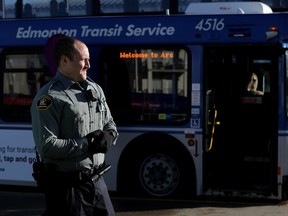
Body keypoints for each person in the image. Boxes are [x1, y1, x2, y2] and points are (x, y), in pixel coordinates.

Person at [30, 35, 118, 216]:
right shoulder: (49, 97)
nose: (89, 65)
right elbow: (47, 146)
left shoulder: (94, 89)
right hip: (68, 188)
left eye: (89, 60)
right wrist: (88, 143)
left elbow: (109, 123)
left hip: (98, 183)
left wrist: (109, 135)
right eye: (84, 60)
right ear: (64, 60)